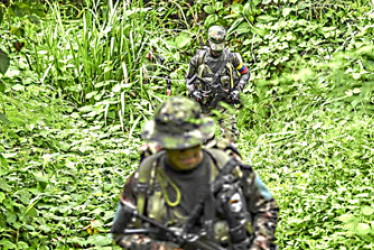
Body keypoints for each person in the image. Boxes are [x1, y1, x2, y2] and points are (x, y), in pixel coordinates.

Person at [111, 97, 278, 250]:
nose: (186, 153)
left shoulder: (227, 167)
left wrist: (258, 245)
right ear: (163, 145)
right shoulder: (146, 176)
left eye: (192, 144)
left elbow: (266, 208)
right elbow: (121, 232)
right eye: (178, 148)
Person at [185, 25, 250, 142]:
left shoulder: (232, 58)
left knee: (230, 138)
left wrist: (237, 90)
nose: (216, 49)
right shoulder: (198, 59)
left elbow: (245, 73)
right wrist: (194, 92)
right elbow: (188, 79)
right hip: (205, 104)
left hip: (225, 103)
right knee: (205, 140)